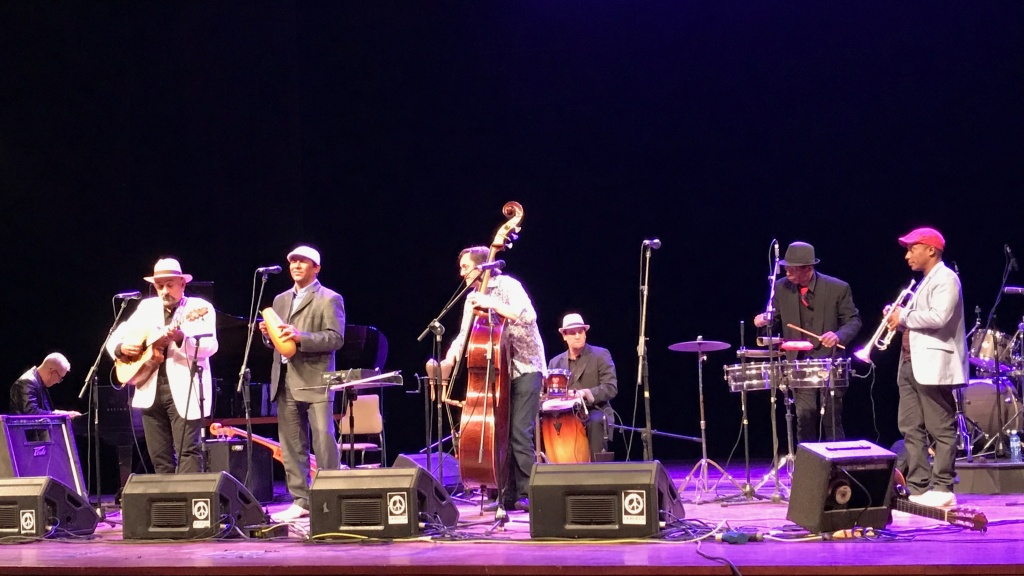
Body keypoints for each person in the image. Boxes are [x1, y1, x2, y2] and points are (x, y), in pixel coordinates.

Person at [441, 246, 545, 512]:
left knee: (520, 433)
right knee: (498, 433)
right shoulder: (472, 298)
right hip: (498, 370)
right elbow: (464, 336)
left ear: (481, 267)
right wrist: (449, 359)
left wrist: (493, 304)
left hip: (526, 367)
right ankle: (504, 495)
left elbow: (528, 316)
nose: (461, 272)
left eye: (465, 266)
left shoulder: (509, 286)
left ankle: (530, 494)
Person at [107, 257, 218, 474]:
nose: (164, 290)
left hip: (185, 388)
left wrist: (180, 337)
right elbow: (114, 338)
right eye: (159, 286)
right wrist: (121, 348)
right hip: (150, 387)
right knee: (159, 455)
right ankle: (169, 504)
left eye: (169, 285)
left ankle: (189, 500)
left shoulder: (199, 308)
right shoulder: (146, 308)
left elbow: (209, 346)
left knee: (188, 451)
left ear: (182, 284)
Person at [260, 245, 345, 522]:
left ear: (316, 268)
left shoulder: (329, 298)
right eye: (293, 261)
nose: (296, 266)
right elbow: (279, 343)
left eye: (303, 262)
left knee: (323, 441)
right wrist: (267, 334)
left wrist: (301, 337)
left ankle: (331, 496)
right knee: (291, 445)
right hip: (284, 380)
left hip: (315, 379)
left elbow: (335, 338)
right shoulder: (281, 299)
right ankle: (301, 500)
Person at [885, 227, 965, 508]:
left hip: (933, 364)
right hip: (910, 363)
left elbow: (939, 316)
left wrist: (902, 315)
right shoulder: (924, 282)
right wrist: (897, 317)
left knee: (940, 426)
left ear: (931, 250)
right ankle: (918, 485)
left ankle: (943, 487)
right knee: (910, 426)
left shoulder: (946, 279)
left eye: (912, 248)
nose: (907, 255)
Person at [754, 241, 862, 443]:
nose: (787, 271)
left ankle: (836, 469)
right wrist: (764, 320)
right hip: (798, 363)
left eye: (793, 268)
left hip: (829, 362)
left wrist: (838, 335)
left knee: (831, 418)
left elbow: (853, 320)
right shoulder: (781, 288)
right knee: (805, 416)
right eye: (786, 267)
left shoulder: (837, 288)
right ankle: (807, 469)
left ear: (808, 268)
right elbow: (774, 319)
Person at [546, 313, 618, 459]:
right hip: (565, 414)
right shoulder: (555, 362)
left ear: (585, 334)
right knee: (544, 423)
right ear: (564, 336)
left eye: (581, 332)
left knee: (595, 421)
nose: (577, 336)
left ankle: (597, 474)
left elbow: (611, 388)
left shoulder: (601, 355)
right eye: (572, 333)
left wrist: (585, 393)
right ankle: (557, 468)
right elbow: (549, 392)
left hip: (595, 409)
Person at [9, 353, 82, 418]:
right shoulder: (27, 382)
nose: (58, 382)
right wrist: (64, 415)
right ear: (52, 371)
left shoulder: (40, 383)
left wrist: (66, 414)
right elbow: (31, 414)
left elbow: (47, 411)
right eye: (60, 377)